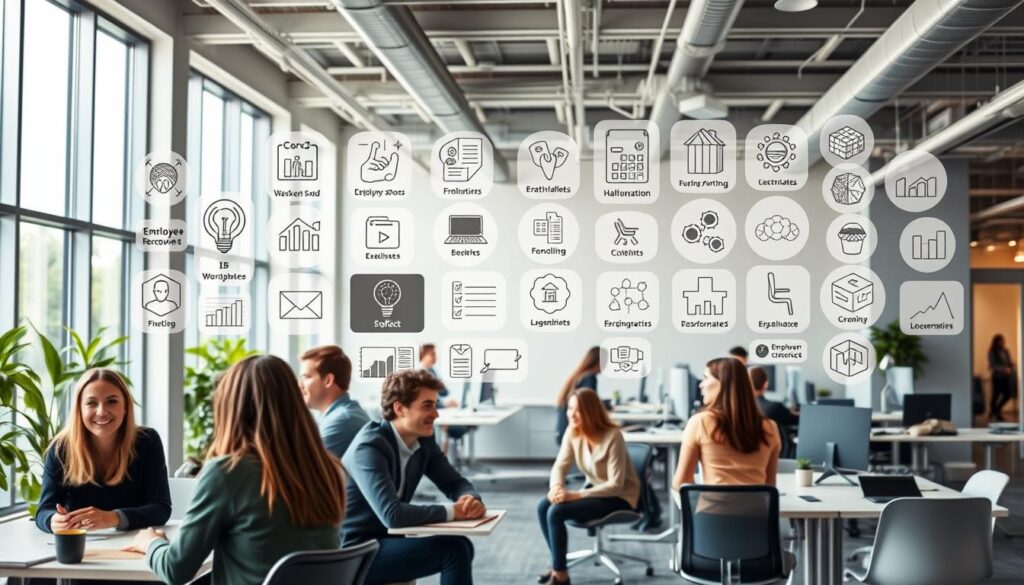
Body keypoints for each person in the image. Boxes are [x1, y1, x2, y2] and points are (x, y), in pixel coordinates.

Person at [128, 355, 346, 585]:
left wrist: (150, 542)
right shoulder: (326, 469)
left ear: (232, 408)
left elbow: (175, 570)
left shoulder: (228, 473)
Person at [342, 369, 484, 585]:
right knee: (454, 550)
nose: (436, 414)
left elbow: (455, 482)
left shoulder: (422, 439)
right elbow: (393, 515)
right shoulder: (369, 447)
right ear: (399, 409)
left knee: (462, 546)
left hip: (388, 539)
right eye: (428, 405)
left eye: (436, 405)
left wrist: (469, 498)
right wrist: (454, 511)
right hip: (356, 551)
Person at [36, 368, 171, 537]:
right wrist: (53, 521)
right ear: (80, 409)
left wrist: (113, 518)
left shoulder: (147, 441)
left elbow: (161, 508)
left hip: (136, 544)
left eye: (112, 401)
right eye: (91, 403)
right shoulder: (60, 448)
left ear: (126, 407)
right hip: (81, 547)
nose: (101, 412)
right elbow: (43, 511)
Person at [537, 388, 640, 585]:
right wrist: (556, 488)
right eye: (569, 409)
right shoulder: (574, 431)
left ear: (591, 412)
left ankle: (560, 575)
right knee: (544, 505)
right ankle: (558, 565)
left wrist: (575, 495)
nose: (571, 415)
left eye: (578, 411)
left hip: (619, 498)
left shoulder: (613, 436)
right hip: (595, 491)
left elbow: (615, 485)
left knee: (556, 512)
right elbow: (560, 465)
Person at [673, 357, 781, 488]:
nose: (701, 384)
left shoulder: (699, 422)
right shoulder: (771, 427)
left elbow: (681, 483)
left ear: (722, 383)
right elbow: (769, 487)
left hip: (711, 508)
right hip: (758, 509)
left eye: (706, 378)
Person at [299, 345, 370, 458]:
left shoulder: (344, 420)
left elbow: (302, 464)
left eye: (306, 377)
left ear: (328, 380)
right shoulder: (337, 415)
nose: (300, 384)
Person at [421, 343, 468, 455]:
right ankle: (443, 460)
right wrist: (444, 405)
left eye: (435, 354)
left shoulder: (431, 371)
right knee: (445, 427)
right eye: (432, 354)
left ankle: (445, 461)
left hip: (438, 409)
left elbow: (443, 392)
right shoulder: (420, 375)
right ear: (423, 355)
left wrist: (445, 403)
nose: (435, 357)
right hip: (430, 414)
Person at [555, 346, 601, 445]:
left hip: (565, 430)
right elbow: (589, 404)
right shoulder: (589, 377)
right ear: (598, 361)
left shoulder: (580, 376)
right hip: (573, 432)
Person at [989, 334, 1017, 421]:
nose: (1003, 342)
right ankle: (997, 413)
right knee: (995, 395)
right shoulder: (992, 352)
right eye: (1001, 340)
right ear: (996, 341)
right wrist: (1004, 369)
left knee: (1007, 395)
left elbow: (1009, 362)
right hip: (997, 377)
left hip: (1006, 377)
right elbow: (993, 365)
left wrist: (1012, 366)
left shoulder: (1006, 351)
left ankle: (995, 410)